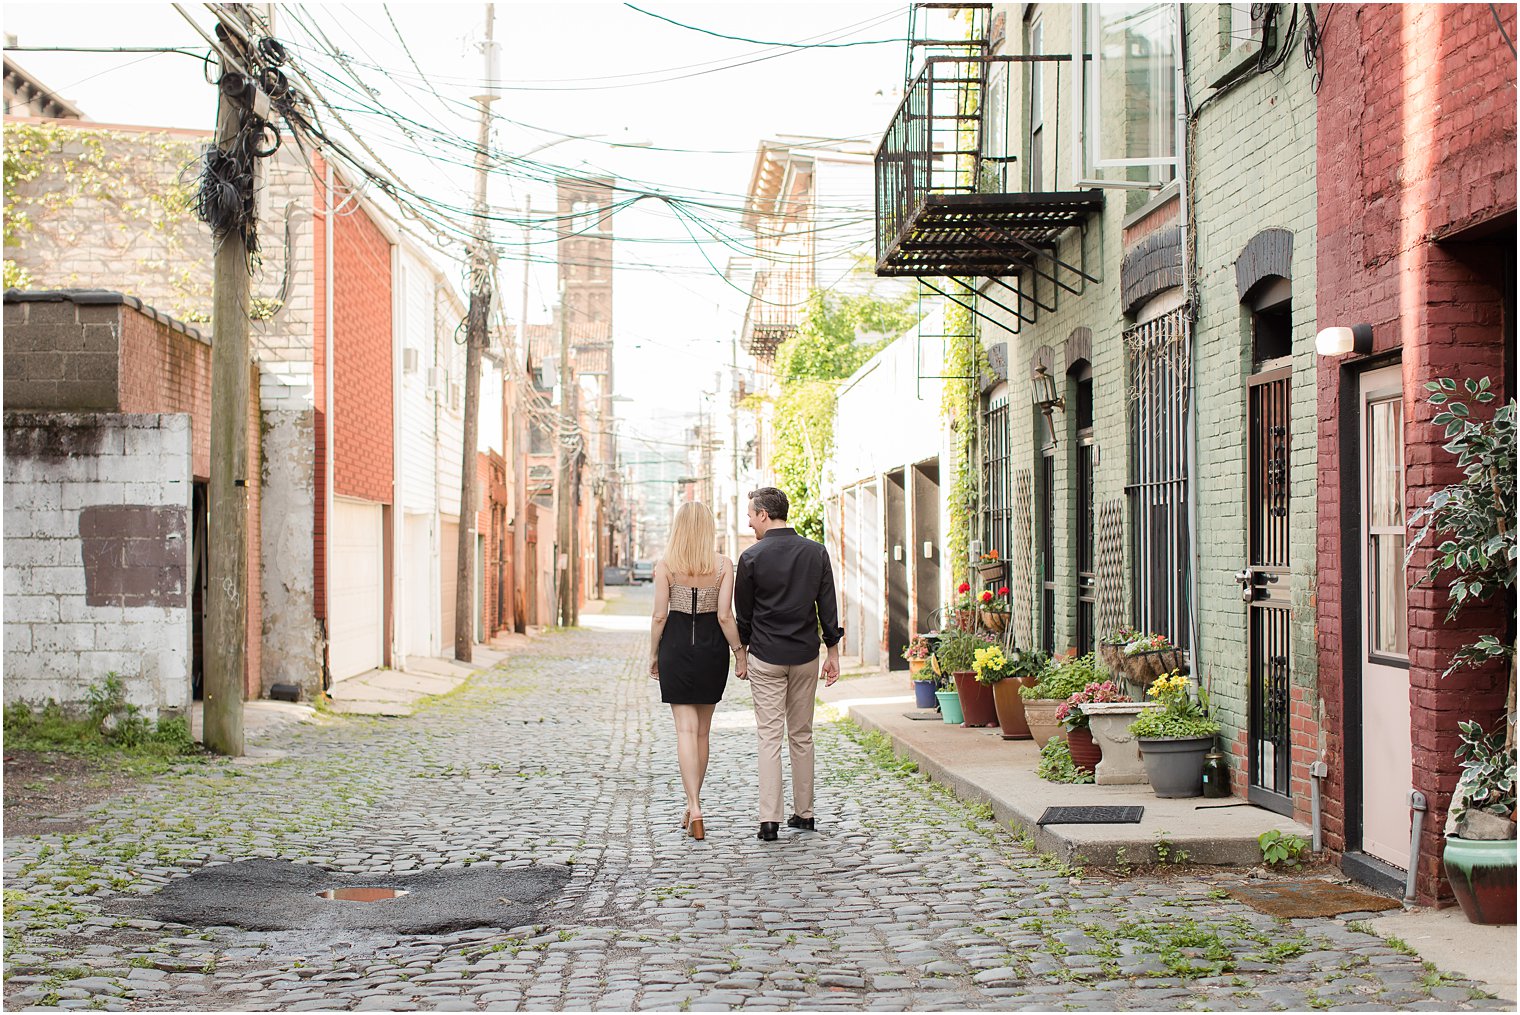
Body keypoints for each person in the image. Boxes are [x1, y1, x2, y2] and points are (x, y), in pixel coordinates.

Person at [734, 487, 844, 842]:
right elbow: (827, 607)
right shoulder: (815, 553)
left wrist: (743, 652)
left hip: (766, 656)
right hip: (805, 656)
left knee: (769, 736)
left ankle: (770, 821)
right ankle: (805, 813)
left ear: (764, 514)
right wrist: (833, 653)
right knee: (802, 734)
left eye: (751, 515)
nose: (749, 522)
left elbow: (744, 615)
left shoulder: (751, 558)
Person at [648, 501, 746, 841]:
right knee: (703, 733)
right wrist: (739, 653)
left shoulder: (666, 566)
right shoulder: (722, 565)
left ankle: (695, 805)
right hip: (711, 651)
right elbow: (724, 616)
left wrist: (652, 654)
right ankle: (693, 807)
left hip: (675, 649)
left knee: (685, 733)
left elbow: (659, 616)